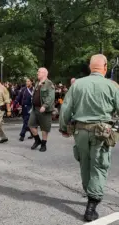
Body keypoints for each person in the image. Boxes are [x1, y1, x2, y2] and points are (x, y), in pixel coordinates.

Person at [59, 54, 119, 222]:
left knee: (84, 163)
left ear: (90, 67)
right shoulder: (112, 86)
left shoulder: (77, 84)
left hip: (80, 132)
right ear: (105, 67)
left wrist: (64, 128)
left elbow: (65, 108)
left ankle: (89, 193)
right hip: (102, 132)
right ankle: (92, 205)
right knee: (99, 166)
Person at [28, 68, 55, 152]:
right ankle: (37, 140)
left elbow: (51, 97)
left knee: (44, 128)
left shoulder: (49, 83)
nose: (37, 73)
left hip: (44, 110)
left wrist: (45, 105)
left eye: (39, 72)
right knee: (31, 125)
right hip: (35, 108)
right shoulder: (37, 83)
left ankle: (43, 144)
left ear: (44, 73)